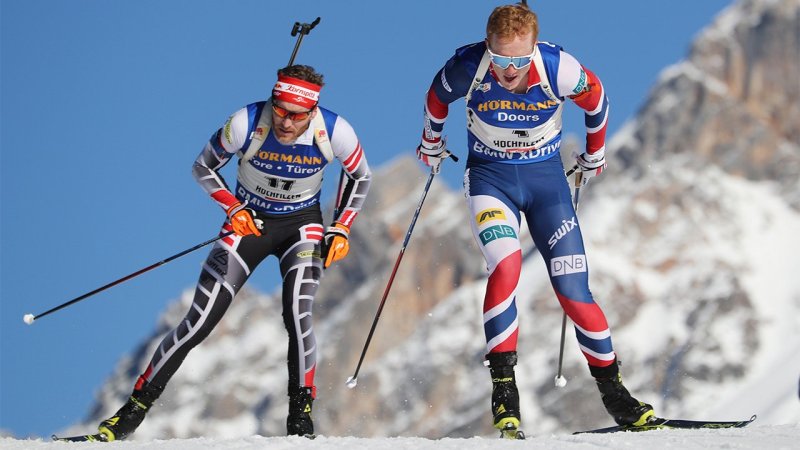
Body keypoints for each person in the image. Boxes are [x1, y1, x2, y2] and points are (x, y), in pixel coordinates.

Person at [89, 64, 372, 441]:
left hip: (302, 226)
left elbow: (361, 176)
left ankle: (300, 420)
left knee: (297, 313)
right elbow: (202, 167)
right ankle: (130, 413)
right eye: (280, 111)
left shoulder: (335, 131)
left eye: (297, 115)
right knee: (199, 321)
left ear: (313, 111)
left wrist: (341, 227)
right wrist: (233, 208)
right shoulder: (246, 122)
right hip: (248, 223)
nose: (286, 123)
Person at [415, 3, 654, 438]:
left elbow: (597, 100)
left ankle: (617, 397)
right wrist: (431, 141)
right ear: (488, 46)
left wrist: (595, 152)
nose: (510, 70)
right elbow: (436, 97)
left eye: (520, 60)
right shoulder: (469, 66)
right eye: (501, 59)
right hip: (490, 180)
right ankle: (505, 395)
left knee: (574, 291)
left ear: (535, 47)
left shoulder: (558, 68)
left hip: (547, 186)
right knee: (506, 265)